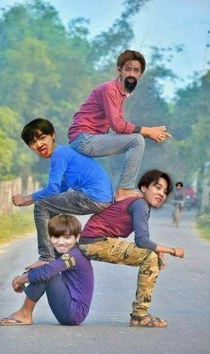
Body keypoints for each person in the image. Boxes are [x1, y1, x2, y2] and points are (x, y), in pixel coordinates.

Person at [78, 169, 184, 328]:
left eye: (165, 191)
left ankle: (139, 314)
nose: (162, 194)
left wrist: (156, 250)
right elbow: (142, 241)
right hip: (95, 242)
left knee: (152, 257)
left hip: (95, 241)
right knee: (150, 257)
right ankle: (140, 315)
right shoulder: (140, 203)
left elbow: (143, 242)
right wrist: (173, 250)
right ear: (144, 188)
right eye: (157, 187)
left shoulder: (140, 203)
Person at [68, 50, 172, 201]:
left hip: (91, 138)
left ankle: (119, 189)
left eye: (136, 70)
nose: (131, 73)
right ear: (119, 70)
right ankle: (123, 189)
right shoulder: (109, 89)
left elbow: (116, 128)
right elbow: (118, 125)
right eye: (127, 69)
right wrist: (148, 131)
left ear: (140, 74)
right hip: (83, 139)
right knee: (137, 140)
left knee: (135, 138)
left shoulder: (121, 94)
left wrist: (151, 134)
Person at [13, 118, 113, 265]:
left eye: (42, 138)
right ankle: (56, 255)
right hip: (99, 198)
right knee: (50, 206)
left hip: (93, 196)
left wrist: (27, 198)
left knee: (41, 205)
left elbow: (52, 189)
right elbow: (61, 188)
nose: (39, 145)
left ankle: (46, 257)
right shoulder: (65, 153)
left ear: (52, 135)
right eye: (33, 143)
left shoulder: (59, 155)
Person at [0, 215, 94, 326]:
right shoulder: (64, 252)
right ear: (50, 237)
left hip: (74, 312)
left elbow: (47, 271)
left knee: (47, 273)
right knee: (44, 269)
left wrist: (21, 280)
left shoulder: (74, 255)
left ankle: (25, 313)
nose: (61, 242)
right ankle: (24, 313)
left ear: (77, 237)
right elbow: (47, 266)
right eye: (56, 237)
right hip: (70, 308)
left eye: (67, 237)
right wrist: (24, 278)